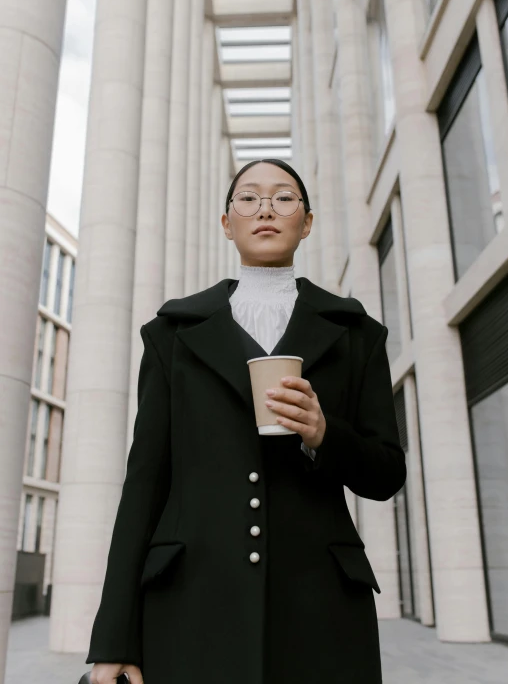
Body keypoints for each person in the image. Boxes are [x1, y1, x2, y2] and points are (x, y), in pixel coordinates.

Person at [87, 158, 406, 684]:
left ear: (306, 223)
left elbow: (386, 473)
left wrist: (326, 436)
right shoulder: (172, 334)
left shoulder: (357, 333)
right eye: (249, 198)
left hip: (320, 608)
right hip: (192, 603)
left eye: (284, 198)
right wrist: (115, 640)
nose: (266, 209)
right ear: (226, 221)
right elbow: (144, 485)